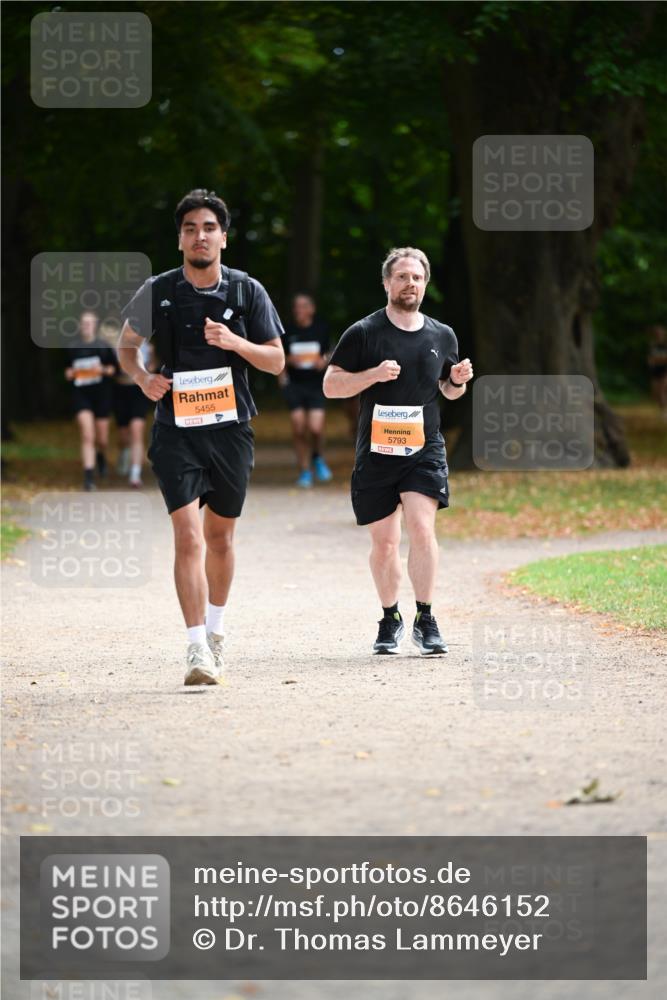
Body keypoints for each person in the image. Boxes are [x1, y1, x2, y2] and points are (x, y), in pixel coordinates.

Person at [117, 189, 285, 685]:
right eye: (190, 228)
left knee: (220, 537)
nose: (200, 235)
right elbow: (127, 346)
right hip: (176, 431)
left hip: (231, 432)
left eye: (209, 227)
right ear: (180, 240)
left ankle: (215, 631)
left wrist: (234, 342)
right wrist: (145, 378)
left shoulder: (246, 291)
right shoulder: (158, 290)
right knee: (188, 535)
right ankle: (195, 649)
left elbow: (276, 361)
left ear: (223, 238)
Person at [323, 247, 473, 656]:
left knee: (423, 530)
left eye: (417, 277)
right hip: (376, 452)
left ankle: (426, 617)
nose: (410, 284)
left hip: (424, 449)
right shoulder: (364, 333)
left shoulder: (442, 335)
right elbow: (331, 385)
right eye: (402, 277)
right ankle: (390, 618)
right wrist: (372, 375)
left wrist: (457, 380)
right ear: (387, 283)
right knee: (386, 543)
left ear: (426, 284)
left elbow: (447, 390)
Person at [279, 293, 333, 487]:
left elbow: (330, 353)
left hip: (316, 384)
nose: (299, 310)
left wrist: (324, 361)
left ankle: (317, 456)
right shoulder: (286, 330)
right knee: (299, 427)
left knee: (316, 428)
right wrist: (286, 364)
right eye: (296, 307)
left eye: (303, 306)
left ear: (312, 309)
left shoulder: (321, 328)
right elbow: (278, 357)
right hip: (295, 384)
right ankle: (304, 471)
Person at [64, 310, 117, 491]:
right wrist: (69, 373)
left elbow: (114, 370)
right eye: (84, 323)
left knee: (101, 439)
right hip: (82, 395)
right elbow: (67, 371)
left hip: (101, 395)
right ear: (80, 326)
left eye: (90, 323)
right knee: (87, 435)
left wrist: (102, 369)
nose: (86, 326)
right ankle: (88, 477)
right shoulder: (73, 347)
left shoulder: (103, 346)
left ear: (95, 325)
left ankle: (101, 456)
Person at [647, 325, 667, 421]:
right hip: (655, 371)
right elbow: (651, 358)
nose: (659, 335)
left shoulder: (665, 345)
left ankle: (664, 412)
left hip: (664, 371)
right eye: (657, 333)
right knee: (655, 393)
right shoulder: (653, 345)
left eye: (660, 333)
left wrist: (657, 359)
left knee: (661, 392)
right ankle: (662, 410)